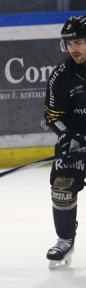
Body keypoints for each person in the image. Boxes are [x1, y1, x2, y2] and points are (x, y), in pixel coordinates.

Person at [42, 15, 86, 269]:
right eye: (69, 44)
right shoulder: (61, 76)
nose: (73, 49)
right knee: (62, 184)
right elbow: (53, 117)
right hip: (76, 143)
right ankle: (65, 239)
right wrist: (68, 137)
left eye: (79, 42)